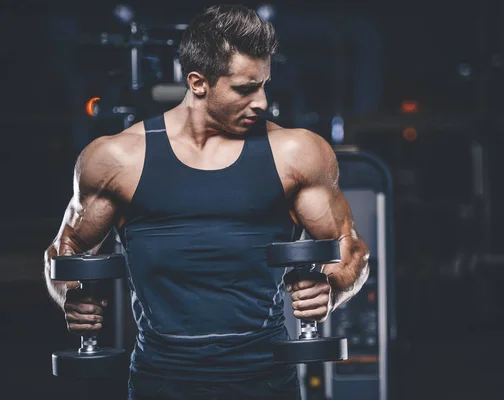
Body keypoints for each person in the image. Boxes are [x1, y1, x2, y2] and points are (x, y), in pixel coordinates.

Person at [44, 5, 370, 400]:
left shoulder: (296, 154)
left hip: (265, 382)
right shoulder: (118, 160)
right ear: (198, 83)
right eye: (245, 88)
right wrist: (70, 296)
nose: (262, 102)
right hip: (160, 383)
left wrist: (332, 289)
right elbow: (64, 251)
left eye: (264, 84)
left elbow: (352, 250)